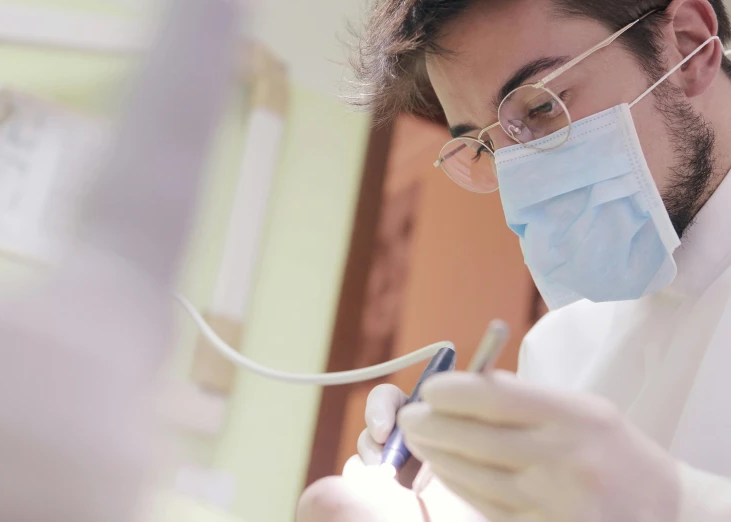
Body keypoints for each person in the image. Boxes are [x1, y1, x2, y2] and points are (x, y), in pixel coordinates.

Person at [297, 0, 731, 521]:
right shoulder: (563, 347)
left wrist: (678, 506)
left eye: (543, 106)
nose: (523, 183)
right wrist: (435, 507)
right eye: (486, 148)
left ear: (686, 45)